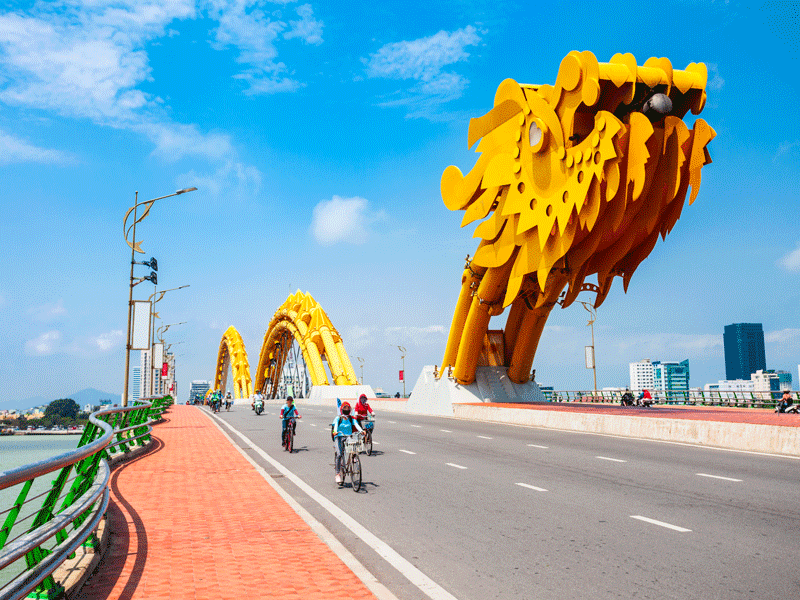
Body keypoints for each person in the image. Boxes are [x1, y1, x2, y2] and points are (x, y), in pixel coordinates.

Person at [332, 402, 364, 484]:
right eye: (345, 409)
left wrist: (361, 431)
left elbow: (356, 425)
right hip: (339, 437)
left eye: (348, 409)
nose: (346, 410)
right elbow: (335, 426)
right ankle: (338, 473)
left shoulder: (351, 418)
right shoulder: (338, 418)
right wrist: (335, 431)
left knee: (354, 446)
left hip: (348, 437)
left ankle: (353, 457)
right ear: (342, 410)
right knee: (339, 454)